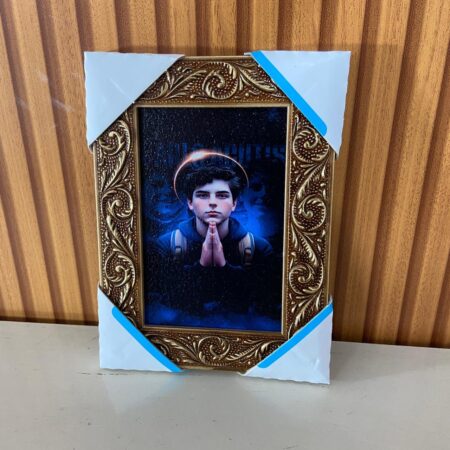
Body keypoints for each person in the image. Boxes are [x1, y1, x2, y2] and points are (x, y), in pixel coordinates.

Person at [144, 151, 282, 331]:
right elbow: (162, 303)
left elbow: (264, 305)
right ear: (190, 202)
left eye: (222, 195)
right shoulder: (165, 245)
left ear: (234, 203)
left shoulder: (260, 248)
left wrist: (223, 267)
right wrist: (202, 266)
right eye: (202, 195)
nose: (212, 203)